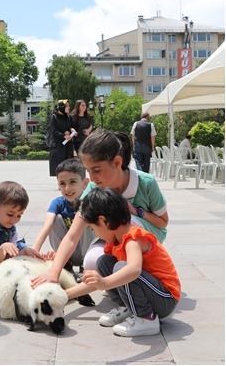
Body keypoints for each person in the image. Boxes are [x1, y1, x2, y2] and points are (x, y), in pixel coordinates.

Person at [31, 129, 170, 290]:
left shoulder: (146, 183)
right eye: (88, 171)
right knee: (92, 262)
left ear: (117, 163)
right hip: (112, 240)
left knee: (125, 219)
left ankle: (138, 273)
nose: (92, 177)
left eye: (96, 170)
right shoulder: (92, 188)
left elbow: (163, 223)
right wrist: (53, 273)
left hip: (145, 238)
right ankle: (122, 281)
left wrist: (136, 211)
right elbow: (72, 236)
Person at [67, 188, 180, 337]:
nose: (94, 233)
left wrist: (105, 282)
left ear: (103, 221)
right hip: (151, 293)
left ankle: (146, 319)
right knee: (104, 262)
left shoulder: (133, 238)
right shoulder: (115, 243)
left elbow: (134, 270)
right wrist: (65, 295)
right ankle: (127, 308)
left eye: (92, 228)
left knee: (123, 267)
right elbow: (97, 282)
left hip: (165, 299)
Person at [30, 158, 95, 277]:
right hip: (68, 251)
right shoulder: (58, 203)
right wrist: (34, 251)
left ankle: (87, 267)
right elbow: (47, 227)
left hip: (89, 251)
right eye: (62, 184)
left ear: (85, 183)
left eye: (73, 182)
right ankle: (65, 266)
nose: (67, 188)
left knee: (86, 217)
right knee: (56, 219)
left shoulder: (91, 201)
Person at [47, 99, 75, 176]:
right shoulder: (54, 117)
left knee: (68, 166)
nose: (69, 108)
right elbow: (53, 130)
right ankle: (61, 183)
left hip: (68, 145)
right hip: (58, 146)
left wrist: (71, 130)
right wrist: (63, 135)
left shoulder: (68, 117)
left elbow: (70, 126)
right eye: (67, 106)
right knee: (60, 166)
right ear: (62, 107)